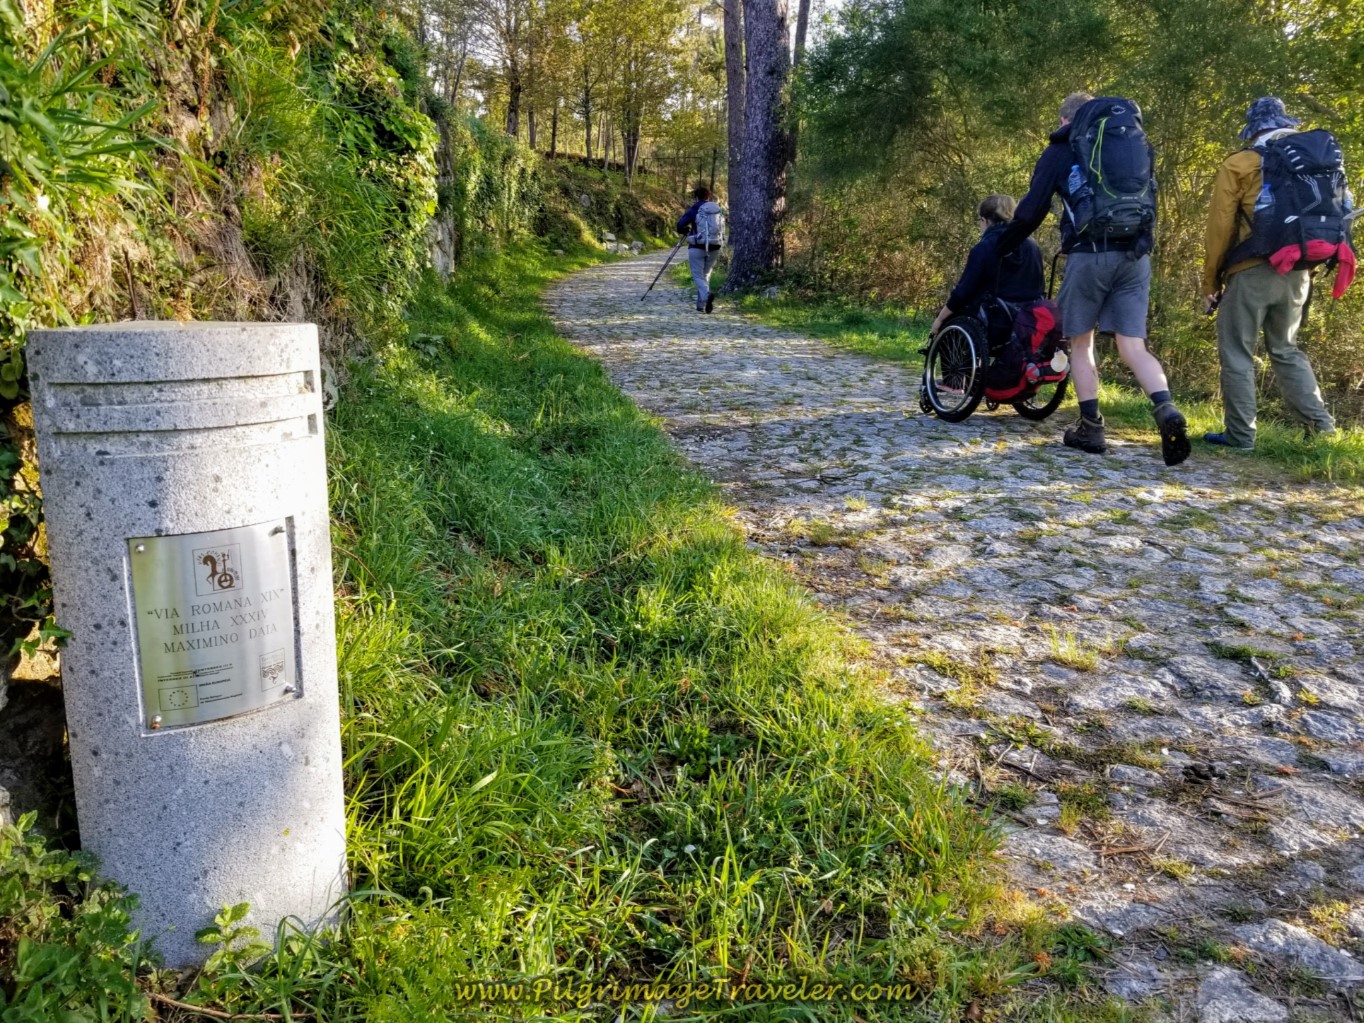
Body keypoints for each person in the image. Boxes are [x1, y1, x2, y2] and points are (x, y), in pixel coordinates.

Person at [997, 91, 1191, 466]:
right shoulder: (1133, 144)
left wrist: (1002, 245)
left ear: (1068, 120)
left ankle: (1091, 427)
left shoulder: (1062, 149)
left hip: (1089, 255)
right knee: (1134, 346)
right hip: (1136, 255)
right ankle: (1166, 409)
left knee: (1081, 343)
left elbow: (1030, 211)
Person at [1201, 97, 1340, 448]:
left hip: (1251, 270)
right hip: (1298, 271)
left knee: (1237, 352)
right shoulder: (1313, 163)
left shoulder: (1242, 163)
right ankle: (1322, 429)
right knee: (1286, 349)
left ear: (1254, 129)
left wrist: (1211, 280)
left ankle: (1240, 435)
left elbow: (1220, 226)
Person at [929, 193, 1044, 344]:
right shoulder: (1033, 246)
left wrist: (940, 319)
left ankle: (961, 366)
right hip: (1031, 319)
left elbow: (963, 291)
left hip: (997, 321)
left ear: (984, 220)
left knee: (950, 319)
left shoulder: (985, 247)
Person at [676, 185, 726, 313]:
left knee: (698, 275)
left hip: (697, 246)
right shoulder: (716, 209)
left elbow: (680, 225)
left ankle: (707, 295)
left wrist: (685, 230)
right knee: (706, 274)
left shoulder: (694, 209)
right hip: (715, 245)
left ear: (696, 197)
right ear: (709, 196)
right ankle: (701, 305)